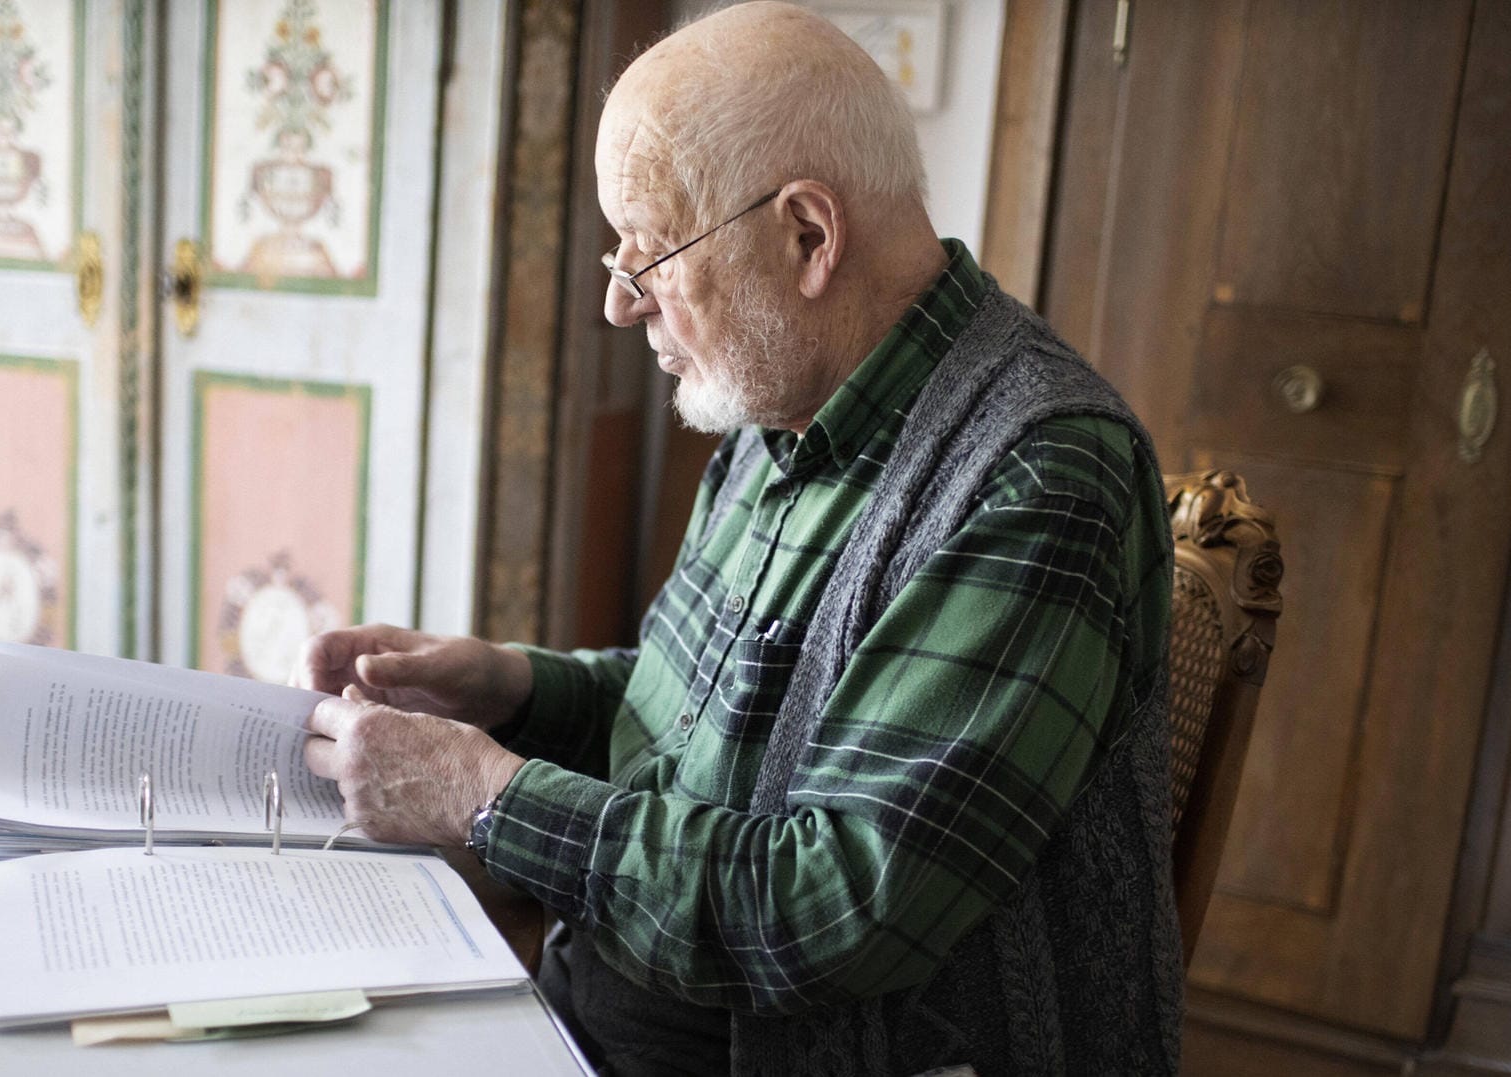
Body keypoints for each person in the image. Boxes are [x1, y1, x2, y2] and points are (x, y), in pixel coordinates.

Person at [296, 4, 1181, 1073]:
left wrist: (481, 796)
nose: (623, 304)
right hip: (603, 1011)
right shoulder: (786, 396)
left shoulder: (1035, 479)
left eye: (652, 250)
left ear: (808, 236)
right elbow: (716, 727)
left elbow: (833, 910)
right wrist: (513, 692)